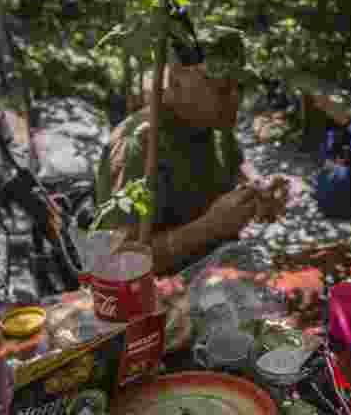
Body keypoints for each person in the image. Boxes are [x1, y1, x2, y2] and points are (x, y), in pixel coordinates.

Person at [94, 28, 272, 276]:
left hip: (221, 280)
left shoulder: (215, 124)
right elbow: (118, 264)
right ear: (177, 82)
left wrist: (257, 187)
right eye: (223, 89)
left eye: (239, 88)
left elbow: (237, 164)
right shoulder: (138, 146)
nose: (235, 99)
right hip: (167, 300)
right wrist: (207, 229)